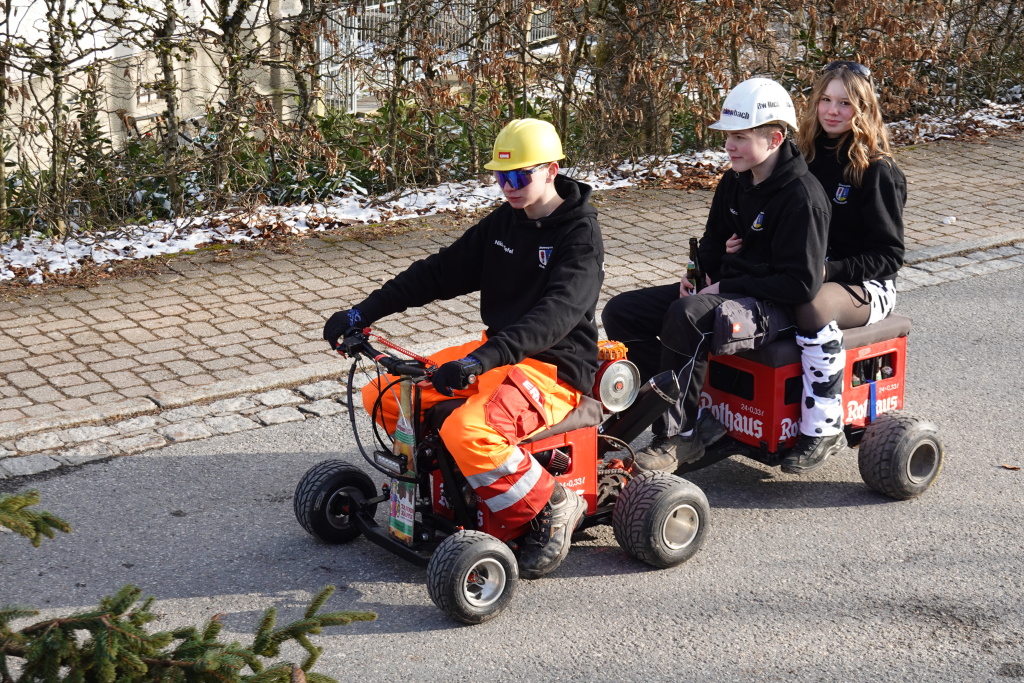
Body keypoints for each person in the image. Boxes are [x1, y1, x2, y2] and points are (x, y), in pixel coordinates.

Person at [323, 118, 604, 579]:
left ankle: (553, 503)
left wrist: (479, 361)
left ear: (552, 170)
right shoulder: (505, 224)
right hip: (498, 354)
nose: (508, 187)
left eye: (519, 177)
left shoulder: (580, 238)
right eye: (500, 177)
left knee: (469, 429)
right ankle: (438, 490)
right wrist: (362, 312)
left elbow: (555, 315)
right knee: (386, 396)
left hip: (553, 369)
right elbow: (437, 272)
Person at [601, 78, 831, 473]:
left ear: (775, 139)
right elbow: (712, 241)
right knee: (622, 312)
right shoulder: (735, 180)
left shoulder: (802, 198)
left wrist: (730, 283)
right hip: (728, 289)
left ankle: (679, 437)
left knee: (688, 315)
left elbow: (801, 284)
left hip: (776, 306)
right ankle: (670, 400)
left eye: (740, 137)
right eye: (728, 136)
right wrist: (698, 271)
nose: (729, 146)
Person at [779, 61, 906, 474]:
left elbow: (889, 256)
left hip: (866, 286)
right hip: (810, 273)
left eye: (845, 103)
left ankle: (823, 427)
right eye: (826, 101)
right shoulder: (803, 156)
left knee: (811, 304)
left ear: (864, 109)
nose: (832, 111)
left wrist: (829, 270)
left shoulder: (877, 170)